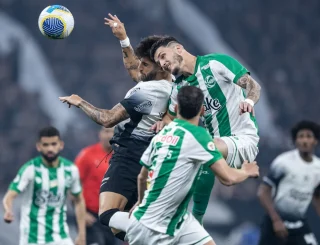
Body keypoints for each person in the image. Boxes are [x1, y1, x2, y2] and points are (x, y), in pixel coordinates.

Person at [58, 29, 172, 241]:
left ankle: (163, 236)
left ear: (159, 65)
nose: (140, 67)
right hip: (149, 156)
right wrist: (124, 40)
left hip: (130, 156)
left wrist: (79, 101)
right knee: (123, 229)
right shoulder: (168, 82)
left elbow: (108, 119)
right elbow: (134, 72)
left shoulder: (148, 92)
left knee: (108, 215)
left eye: (145, 64)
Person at [108, 86, 259, 245]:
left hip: (173, 217)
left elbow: (142, 177)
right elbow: (228, 178)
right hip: (156, 227)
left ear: (176, 107)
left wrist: (140, 202)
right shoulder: (199, 136)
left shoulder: (162, 134)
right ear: (202, 110)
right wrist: (246, 171)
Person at [150, 36, 261, 224]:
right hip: (215, 149)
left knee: (205, 147)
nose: (162, 64)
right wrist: (163, 124)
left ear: (178, 48)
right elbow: (170, 117)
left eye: (162, 56)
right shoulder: (179, 88)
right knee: (196, 157)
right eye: (158, 62)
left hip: (243, 139)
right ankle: (190, 221)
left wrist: (249, 101)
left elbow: (253, 85)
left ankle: (191, 216)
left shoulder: (215, 63)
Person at [2, 126, 86, 245]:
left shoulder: (70, 170)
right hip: (32, 239)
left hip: (60, 237)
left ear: (61, 145)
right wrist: (8, 210)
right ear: (38, 146)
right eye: (45, 145)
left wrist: (82, 235)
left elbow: (78, 200)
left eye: (53, 144)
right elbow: (10, 196)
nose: (50, 149)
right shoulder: (30, 169)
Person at [257, 120, 320, 245]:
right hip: (275, 224)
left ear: (315, 141)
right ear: (295, 141)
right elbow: (263, 192)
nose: (304, 140)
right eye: (301, 136)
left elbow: (317, 194)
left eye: (309, 136)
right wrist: (276, 220)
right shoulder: (283, 163)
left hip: (299, 225)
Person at [75, 127, 117, 245]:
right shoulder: (87, 154)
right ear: (100, 134)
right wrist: (82, 213)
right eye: (106, 131)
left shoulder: (121, 157)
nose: (109, 136)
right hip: (91, 216)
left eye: (113, 132)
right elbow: (73, 186)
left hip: (111, 216)